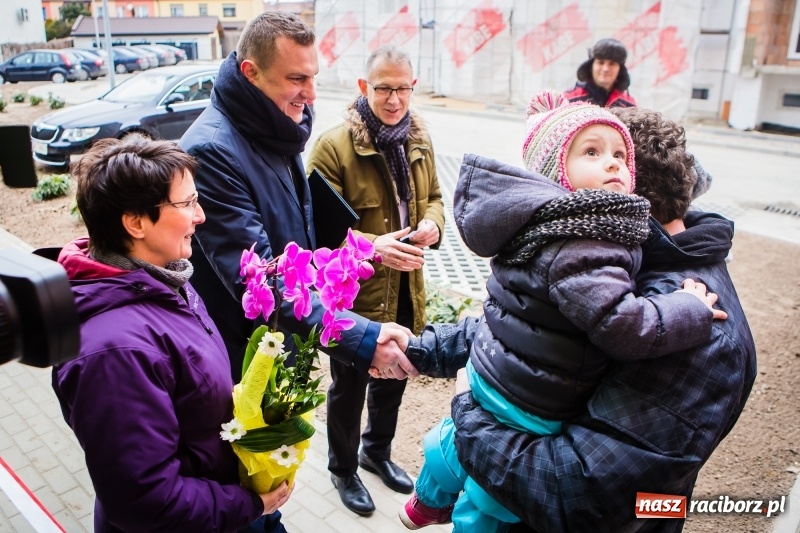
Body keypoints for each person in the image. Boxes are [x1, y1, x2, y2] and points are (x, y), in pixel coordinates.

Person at [396, 93, 726, 531]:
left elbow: (509, 316)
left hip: (494, 374)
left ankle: (425, 501)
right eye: (592, 152)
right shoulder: (587, 244)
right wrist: (688, 310)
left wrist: (432, 360)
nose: (612, 164)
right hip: (533, 403)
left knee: (456, 443)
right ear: (559, 176)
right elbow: (625, 326)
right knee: (489, 500)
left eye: (619, 154)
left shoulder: (545, 225)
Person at [51, 135, 293, 533]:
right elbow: (143, 501)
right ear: (135, 222)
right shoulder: (113, 353)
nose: (200, 216)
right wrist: (248, 504)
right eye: (186, 204)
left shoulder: (163, 277)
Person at [179, 13, 416, 381]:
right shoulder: (213, 151)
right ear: (250, 72)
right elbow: (260, 276)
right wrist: (365, 338)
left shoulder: (274, 122)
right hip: (245, 359)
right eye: (297, 79)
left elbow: (294, 231)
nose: (311, 93)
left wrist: (365, 249)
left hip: (285, 340)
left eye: (313, 77)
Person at [305, 45, 445, 516]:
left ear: (413, 88)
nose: (393, 98)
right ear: (364, 87)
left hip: (405, 287)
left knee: (395, 377)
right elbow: (317, 232)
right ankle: (343, 470)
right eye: (383, 87)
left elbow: (436, 198)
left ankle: (376, 453)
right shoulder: (333, 147)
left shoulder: (419, 140)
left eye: (402, 88)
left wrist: (433, 224)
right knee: (349, 388)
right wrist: (371, 246)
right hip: (353, 298)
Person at [563, 38, 636, 108]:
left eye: (612, 63)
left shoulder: (629, 104)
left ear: (620, 69)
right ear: (591, 66)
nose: (606, 69)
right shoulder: (568, 100)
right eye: (600, 62)